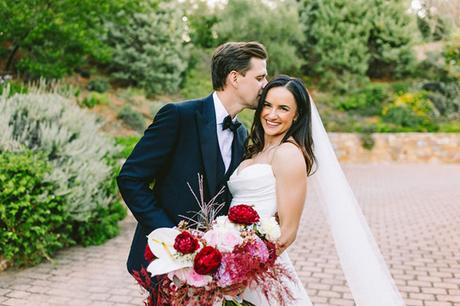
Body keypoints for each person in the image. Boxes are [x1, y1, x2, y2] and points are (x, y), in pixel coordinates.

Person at [227, 75, 405, 305]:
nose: (271, 114)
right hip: (233, 261)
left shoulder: (288, 154)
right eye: (268, 105)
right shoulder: (256, 150)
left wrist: (244, 273)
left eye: (283, 108)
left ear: (297, 115)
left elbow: (288, 232)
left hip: (258, 272)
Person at [116, 41, 268, 280]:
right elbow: (130, 179)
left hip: (211, 270)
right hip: (162, 262)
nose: (265, 86)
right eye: (260, 77)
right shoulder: (179, 116)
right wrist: (171, 237)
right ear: (235, 78)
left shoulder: (241, 133)